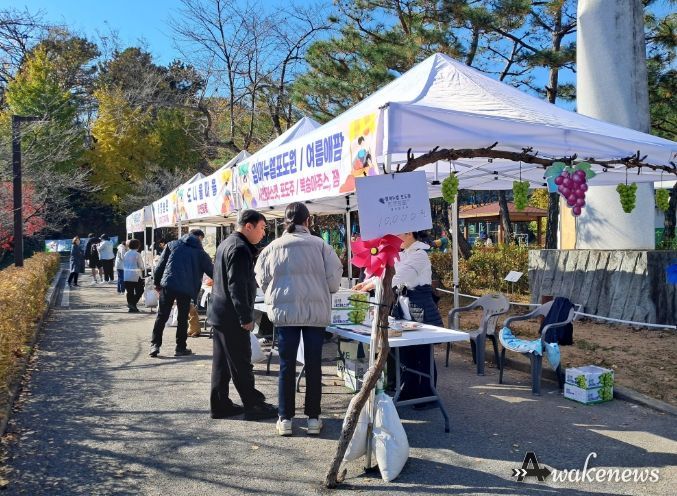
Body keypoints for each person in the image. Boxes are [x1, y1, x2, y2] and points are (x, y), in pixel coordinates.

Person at [255, 202, 342, 436]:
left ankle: (285, 418)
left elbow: (261, 279)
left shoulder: (272, 247)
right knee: (313, 365)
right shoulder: (321, 246)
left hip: (285, 314)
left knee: (286, 366)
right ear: (308, 220)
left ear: (285, 221)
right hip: (315, 313)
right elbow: (334, 281)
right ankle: (313, 418)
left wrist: (276, 292)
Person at [353, 231, 443, 407]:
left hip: (420, 307)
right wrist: (365, 283)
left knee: (423, 353)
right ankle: (408, 389)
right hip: (403, 307)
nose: (393, 238)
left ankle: (427, 394)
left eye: (397, 234)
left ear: (409, 234)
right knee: (407, 353)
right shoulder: (403, 253)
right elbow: (386, 272)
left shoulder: (420, 255)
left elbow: (396, 277)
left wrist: (368, 286)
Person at [208, 210, 277, 421]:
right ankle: (253, 405)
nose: (263, 233)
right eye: (262, 228)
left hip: (220, 313)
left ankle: (220, 404)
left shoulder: (227, 243)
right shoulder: (239, 248)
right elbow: (236, 286)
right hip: (231, 316)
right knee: (241, 363)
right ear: (248, 226)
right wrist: (245, 317)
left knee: (222, 364)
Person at [150, 229, 213, 357]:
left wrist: (157, 283)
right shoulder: (200, 252)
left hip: (168, 285)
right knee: (183, 317)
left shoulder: (172, 245)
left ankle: (154, 345)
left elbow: (160, 266)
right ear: (199, 238)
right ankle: (180, 347)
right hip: (186, 288)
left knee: (162, 316)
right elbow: (213, 271)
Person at [123, 239, 146, 313]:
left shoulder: (126, 253)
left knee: (130, 292)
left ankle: (132, 307)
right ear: (137, 246)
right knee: (140, 290)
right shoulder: (137, 254)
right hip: (135, 275)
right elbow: (141, 266)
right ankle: (132, 304)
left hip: (126, 275)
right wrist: (143, 269)